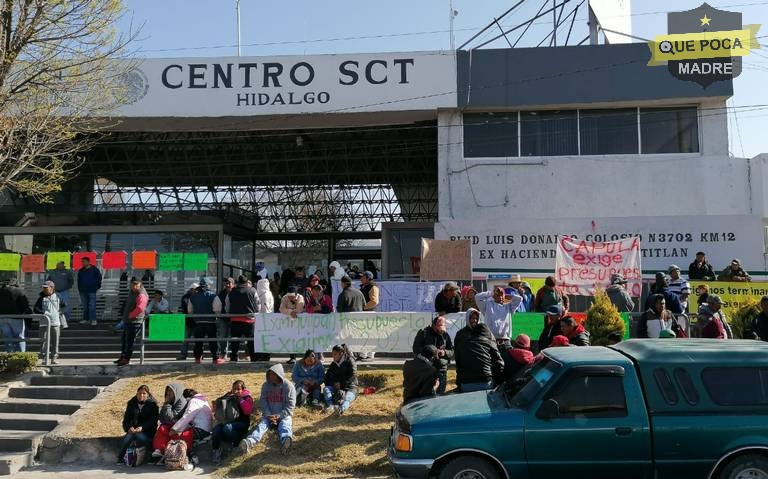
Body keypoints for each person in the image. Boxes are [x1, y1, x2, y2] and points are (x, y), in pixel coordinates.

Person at [239, 364, 296, 455]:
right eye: (269, 374)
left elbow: (291, 405)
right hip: (269, 414)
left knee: (285, 425)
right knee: (262, 426)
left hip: (283, 414)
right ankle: (250, 441)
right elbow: (263, 401)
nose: (271, 377)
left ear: (279, 374)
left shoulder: (288, 386)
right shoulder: (266, 385)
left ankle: (286, 441)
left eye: (273, 374)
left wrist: (280, 415)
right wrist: (268, 414)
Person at [453, 309, 503, 392]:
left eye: (476, 318)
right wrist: (459, 382)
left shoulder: (484, 332)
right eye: (472, 318)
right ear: (467, 318)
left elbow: (496, 359)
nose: (474, 320)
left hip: (485, 377)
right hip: (467, 378)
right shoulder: (460, 334)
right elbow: (458, 360)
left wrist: (496, 378)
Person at [211, 380, 254, 465]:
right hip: (228, 422)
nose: (236, 391)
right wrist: (225, 398)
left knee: (227, 428)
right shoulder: (230, 397)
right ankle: (216, 451)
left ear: (243, 389)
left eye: (238, 389)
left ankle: (236, 444)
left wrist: (240, 400)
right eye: (234, 389)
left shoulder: (247, 398)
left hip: (242, 423)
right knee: (216, 429)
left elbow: (247, 411)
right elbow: (216, 407)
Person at [412, 315, 454, 395]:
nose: (442, 329)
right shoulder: (423, 333)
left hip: (441, 371)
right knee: (426, 395)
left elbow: (452, 352)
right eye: (440, 326)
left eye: (444, 326)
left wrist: (444, 352)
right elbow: (416, 349)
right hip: (426, 371)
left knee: (440, 395)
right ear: (433, 325)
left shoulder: (445, 335)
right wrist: (430, 350)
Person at [117, 385, 159, 465]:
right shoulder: (131, 404)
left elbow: (153, 421)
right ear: (136, 394)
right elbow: (126, 420)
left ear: (148, 394)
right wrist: (129, 427)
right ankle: (120, 457)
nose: (141, 395)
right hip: (134, 430)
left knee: (141, 436)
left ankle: (151, 457)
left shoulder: (153, 405)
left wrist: (142, 427)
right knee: (129, 436)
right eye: (139, 393)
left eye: (144, 393)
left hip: (147, 431)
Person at [170, 388, 213, 464]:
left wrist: (175, 429)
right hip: (206, 429)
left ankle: (183, 456)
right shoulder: (203, 400)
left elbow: (187, 416)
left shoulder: (194, 401)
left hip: (200, 430)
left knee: (175, 436)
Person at [225, 275, 260, 362]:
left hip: (235, 320)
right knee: (251, 342)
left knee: (235, 342)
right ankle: (254, 360)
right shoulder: (252, 290)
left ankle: (233, 359)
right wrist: (254, 312)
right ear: (246, 282)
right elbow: (258, 305)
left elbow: (227, 306)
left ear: (238, 282)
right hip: (249, 320)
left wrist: (230, 313)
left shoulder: (231, 292)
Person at [151, 383, 189, 460]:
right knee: (162, 428)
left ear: (176, 392)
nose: (168, 393)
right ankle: (159, 449)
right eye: (168, 391)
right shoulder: (171, 401)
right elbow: (161, 417)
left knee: (163, 429)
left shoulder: (181, 401)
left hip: (179, 426)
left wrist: (167, 404)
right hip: (171, 424)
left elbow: (170, 418)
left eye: (171, 391)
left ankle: (161, 449)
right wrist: (166, 404)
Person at [115, 279, 148, 366]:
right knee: (124, 340)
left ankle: (127, 358)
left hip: (135, 321)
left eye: (136, 285)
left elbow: (140, 308)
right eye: (132, 285)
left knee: (130, 341)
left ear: (140, 285)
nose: (134, 287)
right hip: (127, 320)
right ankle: (123, 356)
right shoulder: (132, 293)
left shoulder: (141, 295)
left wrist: (131, 315)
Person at [188, 279, 218, 364]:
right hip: (211, 322)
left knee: (198, 341)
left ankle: (198, 358)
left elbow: (190, 310)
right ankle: (215, 358)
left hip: (198, 322)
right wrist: (216, 316)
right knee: (213, 340)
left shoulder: (193, 297)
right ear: (208, 285)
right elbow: (217, 309)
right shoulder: (213, 295)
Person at [34, 281, 64, 364]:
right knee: (43, 341)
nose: (44, 289)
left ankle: (54, 358)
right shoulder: (41, 297)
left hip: (55, 323)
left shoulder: (58, 296)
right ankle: (44, 358)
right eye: (43, 288)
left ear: (52, 288)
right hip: (44, 323)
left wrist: (60, 312)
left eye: (46, 288)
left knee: (55, 341)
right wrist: (43, 313)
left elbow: (64, 306)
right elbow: (36, 309)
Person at [323, 344, 358, 415]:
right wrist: (334, 384)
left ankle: (341, 410)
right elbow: (327, 377)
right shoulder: (333, 364)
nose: (333, 356)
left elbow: (353, 375)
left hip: (351, 387)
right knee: (326, 389)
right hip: (337, 388)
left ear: (341, 353)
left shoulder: (350, 361)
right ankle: (330, 406)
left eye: (335, 354)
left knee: (347, 398)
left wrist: (341, 384)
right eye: (332, 354)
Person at [0, 277, 31, 353]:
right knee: (20, 337)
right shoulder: (19, 291)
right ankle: (21, 356)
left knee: (8, 338)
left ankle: (10, 355)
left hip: (3, 317)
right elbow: (25, 305)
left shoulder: (1, 291)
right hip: (17, 317)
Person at [279, 286, 305, 365]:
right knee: (290, 339)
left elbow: (299, 309)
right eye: (289, 296)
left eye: (292, 296)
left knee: (301, 339)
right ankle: (292, 357)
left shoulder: (300, 297)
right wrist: (291, 312)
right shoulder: (285, 298)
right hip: (289, 323)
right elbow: (281, 309)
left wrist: (292, 311)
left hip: (300, 323)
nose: (290, 297)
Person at [213, 277, 235, 364]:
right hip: (223, 318)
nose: (228, 285)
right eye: (226, 283)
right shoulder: (221, 294)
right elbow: (216, 307)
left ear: (233, 284)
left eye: (229, 283)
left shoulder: (236, 293)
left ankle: (234, 354)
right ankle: (223, 353)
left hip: (234, 318)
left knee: (234, 337)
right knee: (223, 336)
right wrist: (219, 315)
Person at [47, 261, 73, 328]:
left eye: (60, 264)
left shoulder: (67, 272)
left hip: (64, 291)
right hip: (54, 292)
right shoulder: (52, 272)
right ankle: (56, 320)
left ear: (63, 265)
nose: (59, 266)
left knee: (65, 305)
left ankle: (67, 319)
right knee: (54, 306)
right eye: (58, 264)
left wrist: (67, 287)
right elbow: (48, 280)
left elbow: (71, 281)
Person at [176, 282, 198, 361]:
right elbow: (185, 308)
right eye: (195, 289)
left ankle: (197, 355)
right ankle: (184, 354)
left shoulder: (187, 297)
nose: (196, 291)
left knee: (193, 339)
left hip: (192, 320)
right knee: (186, 339)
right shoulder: (187, 297)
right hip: (190, 320)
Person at [77, 257, 102, 326]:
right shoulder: (81, 271)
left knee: (92, 305)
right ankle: (86, 319)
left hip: (92, 290)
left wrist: (96, 287)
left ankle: (93, 319)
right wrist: (80, 289)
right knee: (85, 306)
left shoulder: (94, 269)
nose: (83, 263)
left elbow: (99, 278)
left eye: (84, 261)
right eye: (82, 262)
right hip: (83, 291)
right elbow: (79, 280)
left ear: (88, 262)